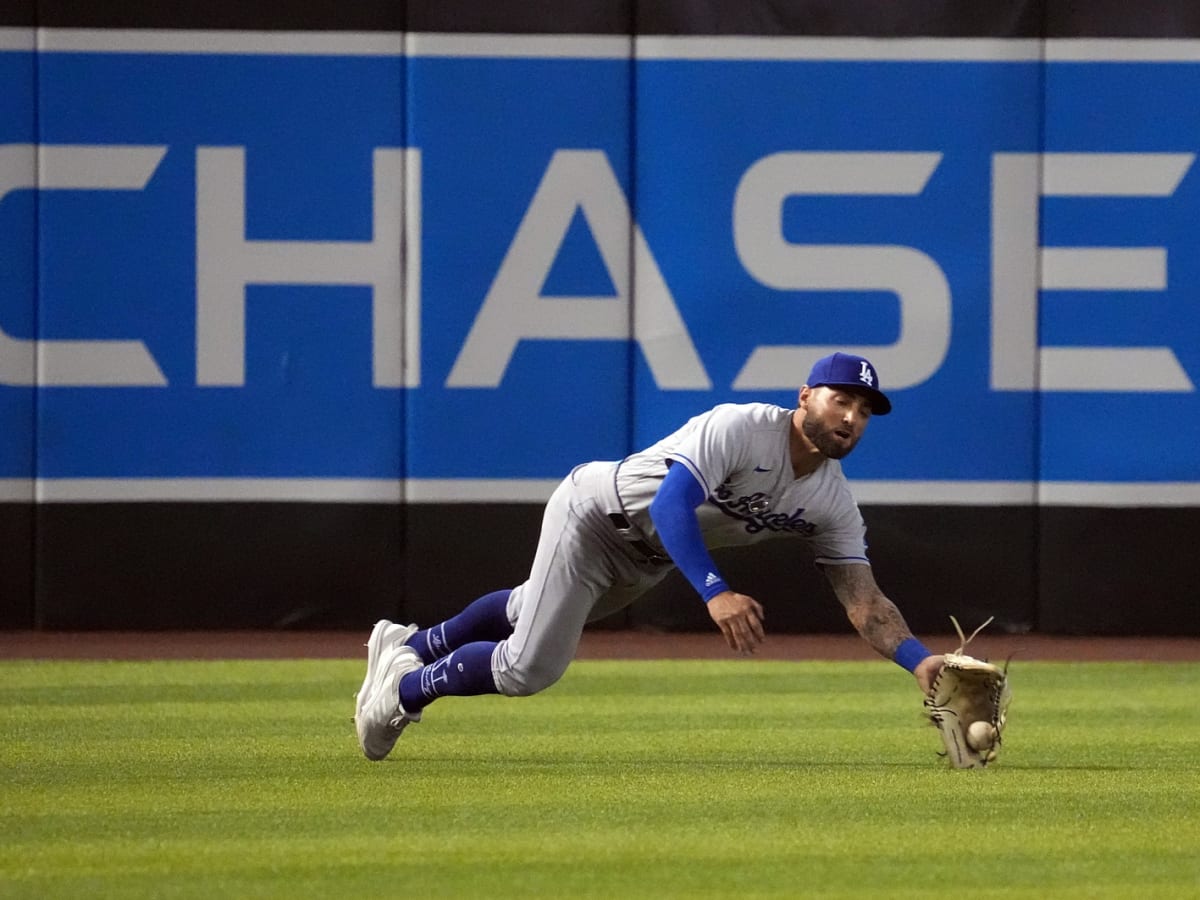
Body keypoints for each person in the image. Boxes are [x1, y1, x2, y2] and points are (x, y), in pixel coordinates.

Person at [354, 351, 944, 761]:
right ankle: (403, 691)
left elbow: (864, 602)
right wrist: (717, 592)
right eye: (842, 400)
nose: (851, 418)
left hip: (644, 561)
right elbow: (670, 505)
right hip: (594, 513)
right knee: (529, 666)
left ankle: (409, 645)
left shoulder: (832, 501)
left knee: (531, 606)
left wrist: (919, 662)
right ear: (806, 396)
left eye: (864, 412)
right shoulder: (740, 428)